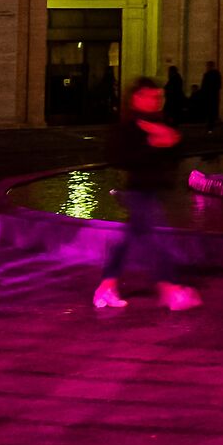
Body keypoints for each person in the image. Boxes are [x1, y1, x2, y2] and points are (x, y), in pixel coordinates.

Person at [94, 77, 198, 311]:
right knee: (159, 238)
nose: (155, 101)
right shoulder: (127, 127)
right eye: (150, 97)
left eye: (158, 97)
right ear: (136, 98)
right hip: (138, 190)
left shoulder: (161, 123)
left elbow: (176, 154)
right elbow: (117, 157)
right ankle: (169, 288)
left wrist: (172, 141)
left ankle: (107, 286)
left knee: (129, 238)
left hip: (156, 189)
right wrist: (153, 144)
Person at [195, 60, 222, 132]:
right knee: (213, 111)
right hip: (214, 96)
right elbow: (219, 85)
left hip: (209, 96)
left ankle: (210, 126)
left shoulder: (207, 75)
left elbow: (204, 86)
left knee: (209, 111)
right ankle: (211, 125)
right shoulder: (217, 74)